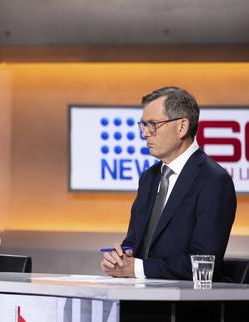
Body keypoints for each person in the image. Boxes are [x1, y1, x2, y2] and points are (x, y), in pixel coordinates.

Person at [101, 87, 236, 280]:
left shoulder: (213, 180)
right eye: (143, 125)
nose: (146, 133)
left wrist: (137, 269)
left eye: (153, 124)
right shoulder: (149, 177)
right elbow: (134, 242)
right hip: (136, 297)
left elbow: (205, 263)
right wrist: (120, 258)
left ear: (182, 127)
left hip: (184, 305)